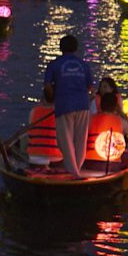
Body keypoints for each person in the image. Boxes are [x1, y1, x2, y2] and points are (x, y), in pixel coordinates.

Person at [42, 35, 95, 178]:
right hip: (82, 103)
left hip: (64, 103)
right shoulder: (83, 64)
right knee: (80, 140)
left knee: (65, 140)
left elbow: (48, 86)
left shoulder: (54, 64)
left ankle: (74, 172)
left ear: (60, 48)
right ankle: (77, 169)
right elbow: (90, 87)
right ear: (76, 48)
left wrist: (52, 98)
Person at [82, 88, 128, 175]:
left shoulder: (90, 119)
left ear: (100, 105)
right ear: (115, 107)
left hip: (89, 162)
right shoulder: (120, 121)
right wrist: (122, 114)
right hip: (112, 164)